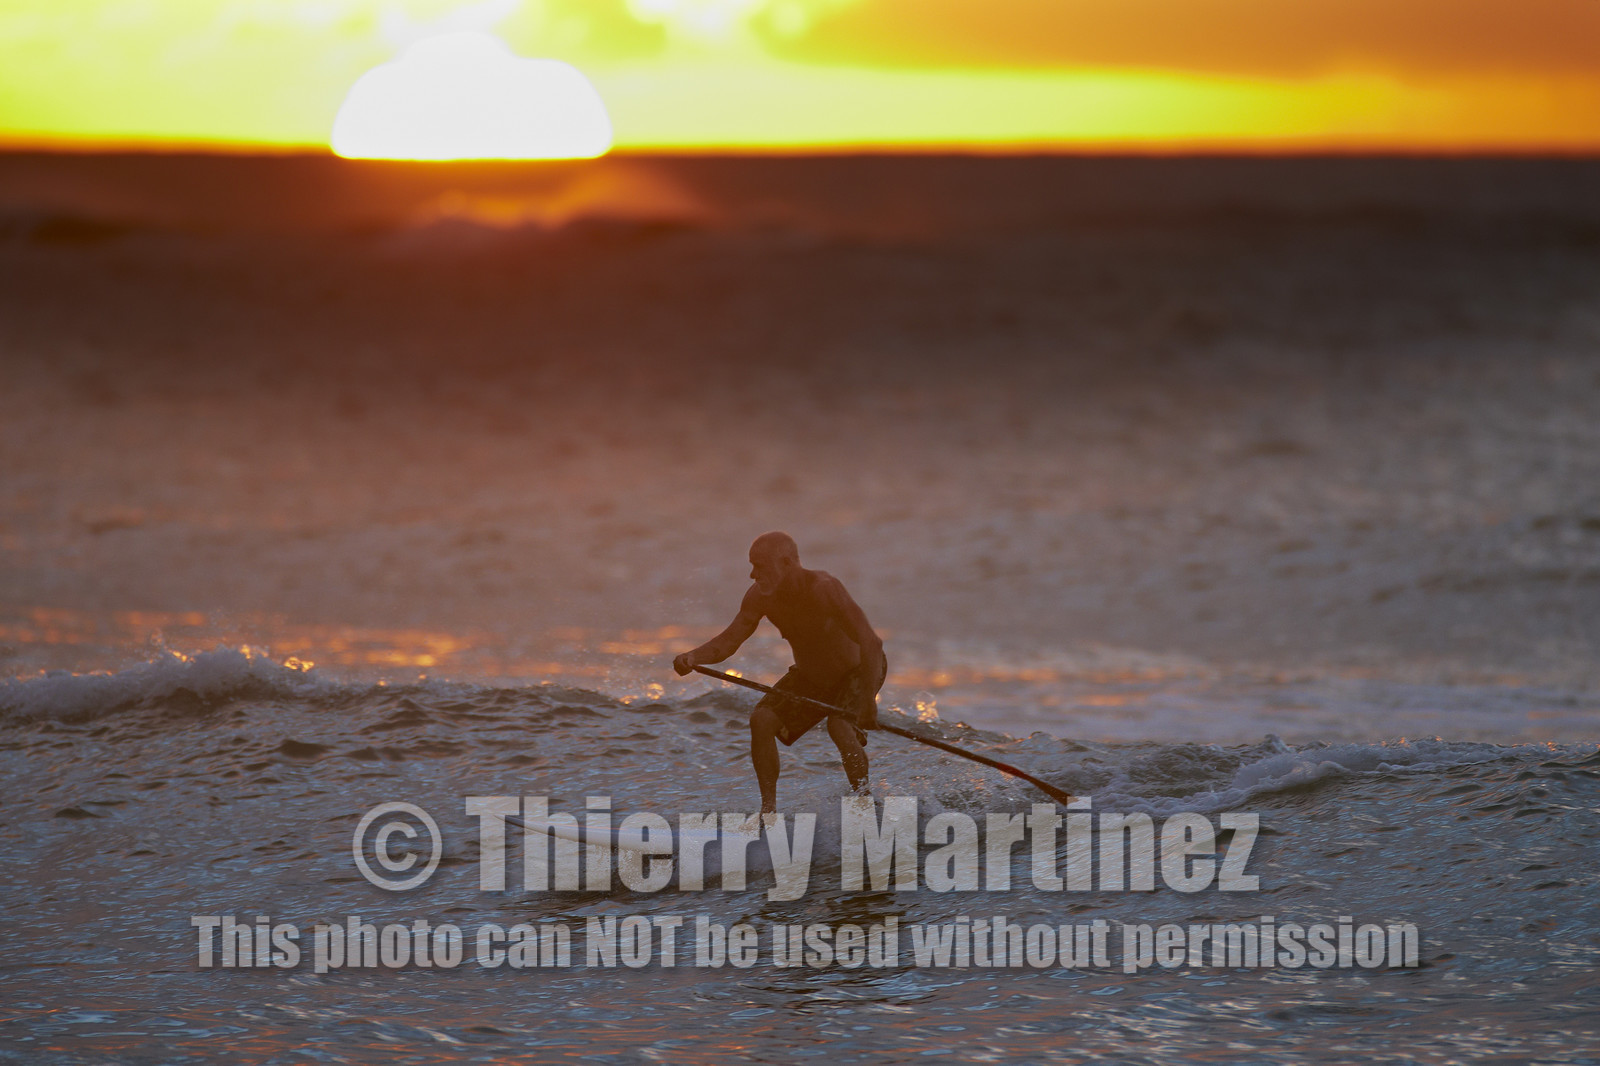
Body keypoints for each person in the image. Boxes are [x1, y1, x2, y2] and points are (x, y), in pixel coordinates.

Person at [673, 531, 887, 813]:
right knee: (761, 720)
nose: (752, 575)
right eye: (751, 565)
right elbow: (729, 641)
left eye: (760, 566)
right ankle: (768, 812)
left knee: (839, 726)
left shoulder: (824, 588)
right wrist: (693, 656)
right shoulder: (760, 598)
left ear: (786, 563)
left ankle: (864, 805)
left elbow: (871, 642)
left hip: (859, 670)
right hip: (811, 677)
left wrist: (867, 700)